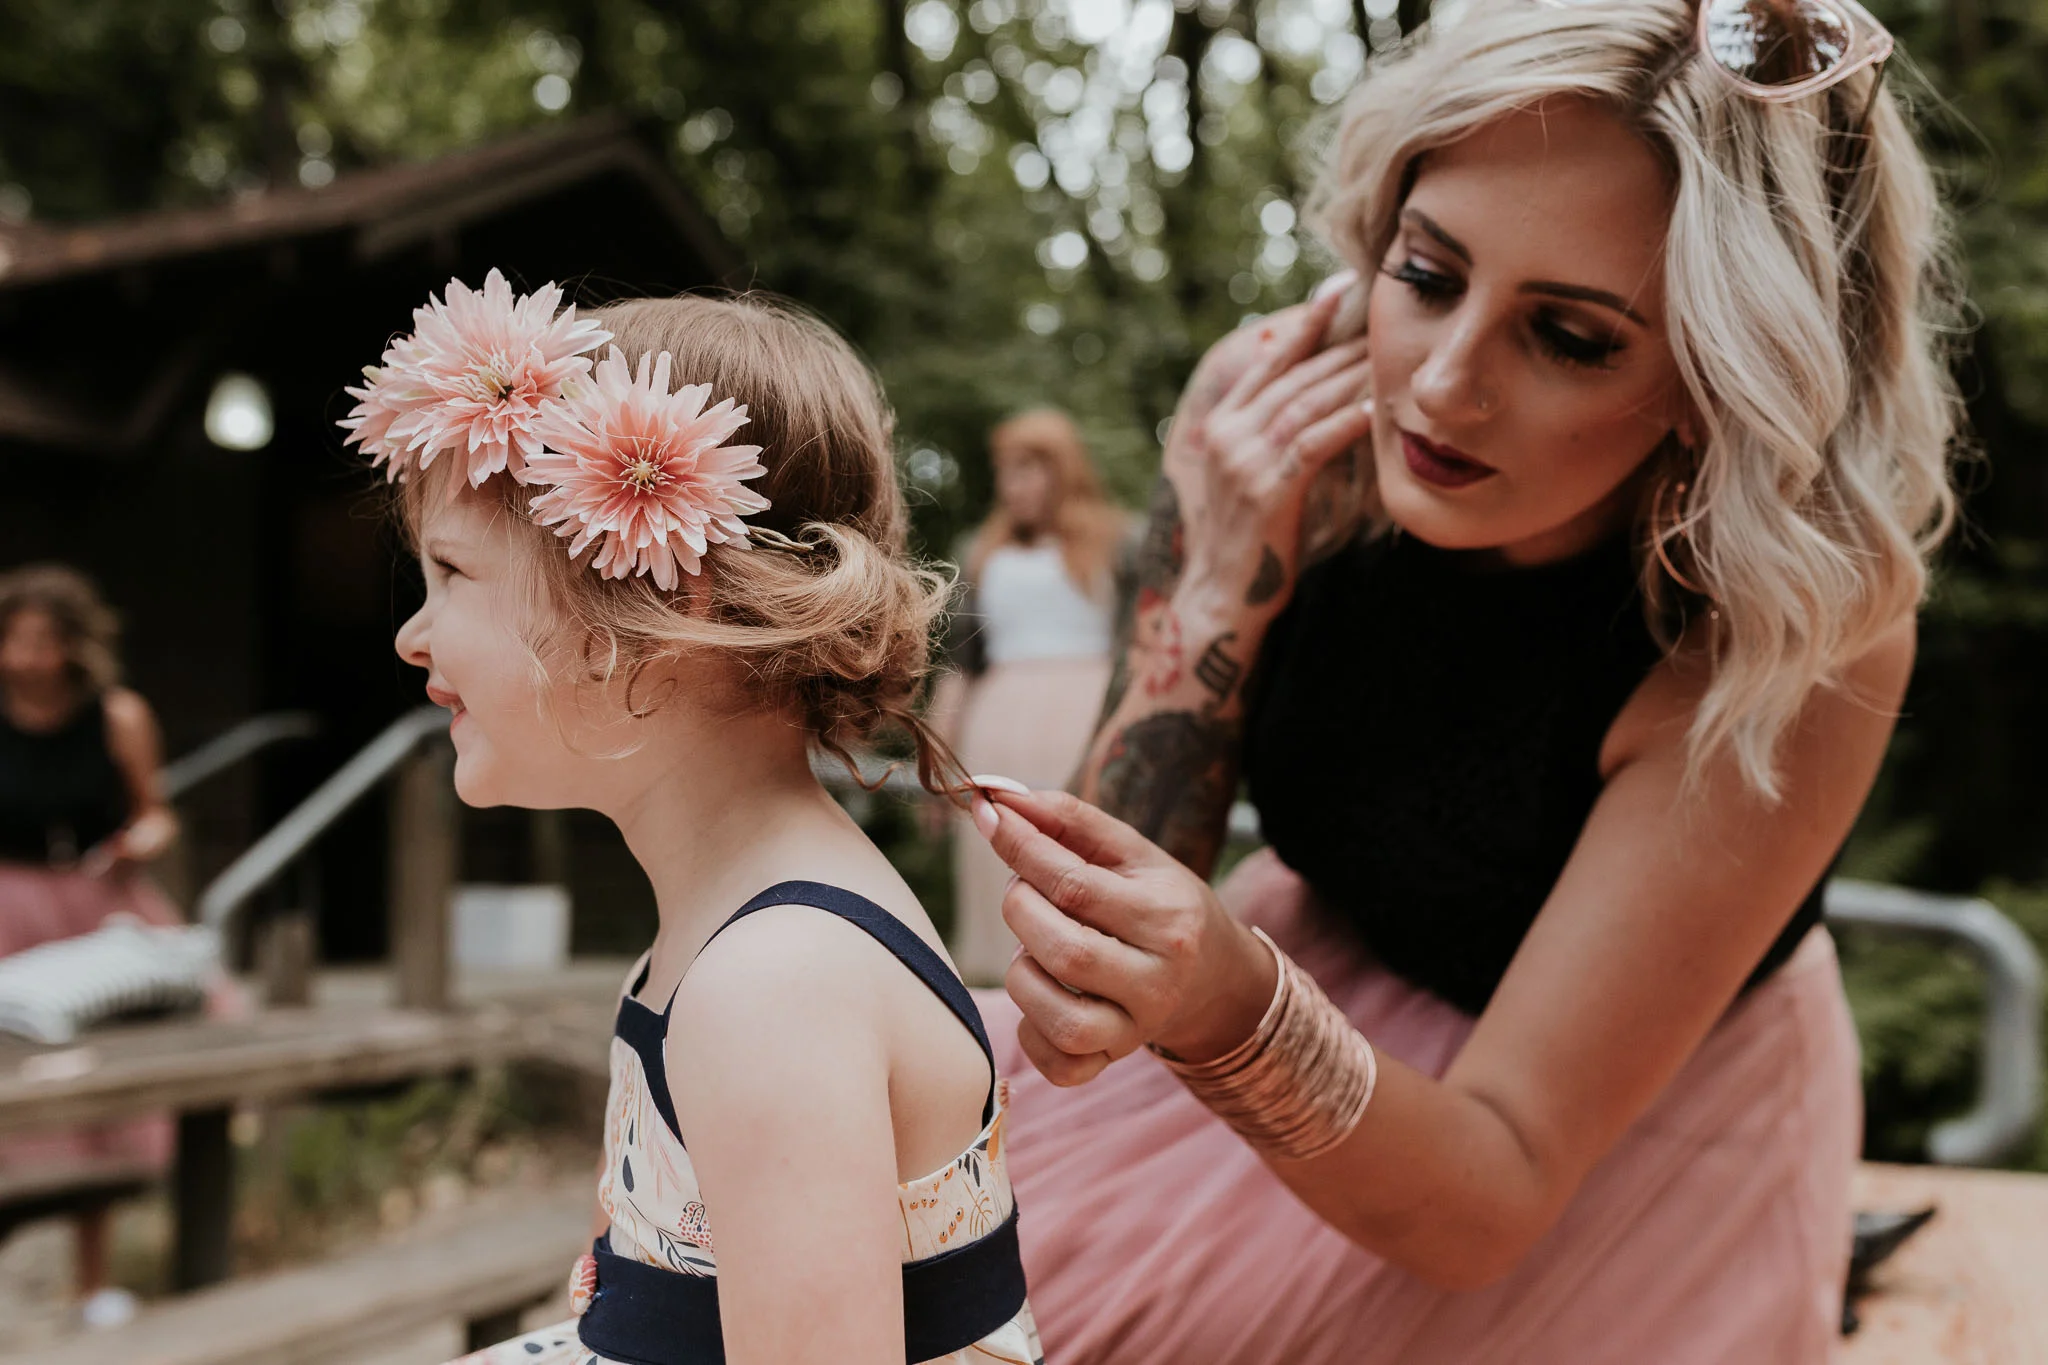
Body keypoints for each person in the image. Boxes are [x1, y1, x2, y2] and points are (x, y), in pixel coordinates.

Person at [962, 1, 1956, 1361]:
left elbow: (1493, 1190)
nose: (1439, 384)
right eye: (1428, 275)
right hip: (1301, 983)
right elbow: (1080, 947)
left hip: (1597, 1129)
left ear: (1721, 377)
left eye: (1572, 337)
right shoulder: (1279, 420)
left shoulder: (1795, 630)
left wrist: (1234, 1004)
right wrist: (1212, 573)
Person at [341, 274, 1042, 1364]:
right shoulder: (731, 929)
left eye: (452, 573)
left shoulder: (771, 983)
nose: (413, 638)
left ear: (656, 611)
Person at [0, 563, 181, 1327]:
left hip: (92, 903)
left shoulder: (118, 714)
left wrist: (137, 842)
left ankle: (92, 1279)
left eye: (44, 638)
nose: (26, 654)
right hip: (5, 906)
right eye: (14, 636)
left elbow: (157, 813)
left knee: (105, 1096)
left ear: (73, 645)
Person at [932, 409, 1128, 984]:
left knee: (1079, 864)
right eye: (1005, 471)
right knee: (995, 861)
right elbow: (960, 663)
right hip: (998, 727)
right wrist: (937, 751)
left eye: (1026, 469)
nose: (1011, 485)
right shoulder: (982, 550)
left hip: (1085, 723)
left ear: (1060, 471)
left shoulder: (1120, 541)